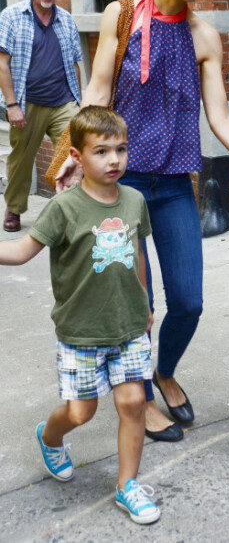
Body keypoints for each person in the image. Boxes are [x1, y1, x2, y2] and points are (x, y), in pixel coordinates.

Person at [57, 0, 229, 442]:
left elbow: (220, 118)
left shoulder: (204, 37)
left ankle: (164, 370)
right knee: (139, 306)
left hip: (176, 184)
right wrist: (73, 151)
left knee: (189, 300)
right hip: (120, 188)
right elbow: (97, 90)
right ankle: (143, 402)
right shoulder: (122, 16)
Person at [0, 106, 160, 525]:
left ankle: (128, 485)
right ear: (78, 155)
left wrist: (146, 304)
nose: (114, 160)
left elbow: (139, 254)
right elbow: (20, 252)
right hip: (81, 330)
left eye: (121, 150)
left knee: (132, 403)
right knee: (80, 413)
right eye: (102, 151)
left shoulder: (135, 200)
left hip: (127, 326)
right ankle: (49, 437)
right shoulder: (65, 208)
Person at [0, 0, 83, 232]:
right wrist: (12, 105)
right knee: (21, 159)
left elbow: (74, 63)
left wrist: (78, 102)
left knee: (77, 152)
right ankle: (14, 208)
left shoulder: (66, 19)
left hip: (63, 101)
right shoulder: (11, 16)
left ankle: (71, 208)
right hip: (28, 103)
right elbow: (2, 64)